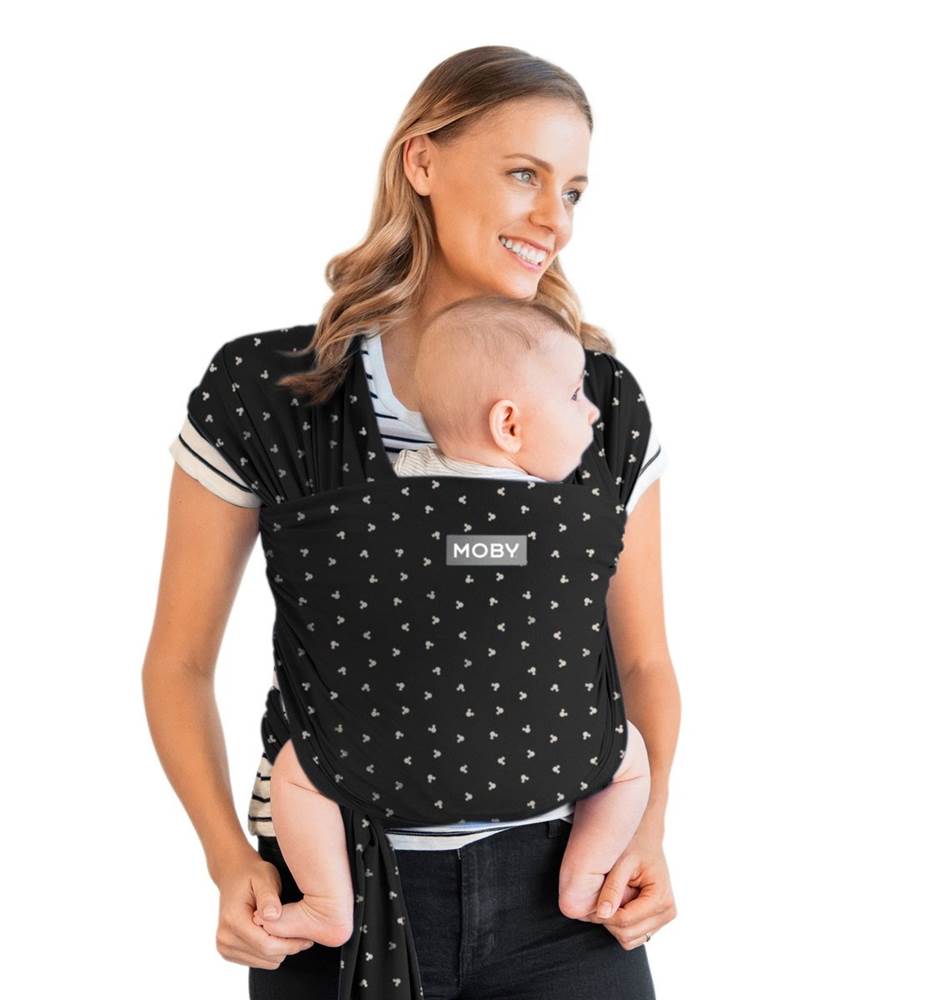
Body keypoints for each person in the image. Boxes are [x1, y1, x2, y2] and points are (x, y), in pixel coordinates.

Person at [148, 44, 680, 999]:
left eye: (573, 191)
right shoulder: (272, 394)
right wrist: (228, 859)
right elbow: (179, 662)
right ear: (422, 162)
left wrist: (648, 830)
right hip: (336, 891)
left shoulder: (597, 400)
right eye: (525, 175)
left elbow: (641, 662)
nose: (553, 219)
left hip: (566, 902)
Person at [255, 297, 653, 950]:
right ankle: (584, 878)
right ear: (509, 424)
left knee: (296, 769)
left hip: (388, 758)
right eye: (574, 396)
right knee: (632, 761)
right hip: (550, 753)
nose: (591, 411)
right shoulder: (576, 517)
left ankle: (327, 903)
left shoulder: (377, 501)